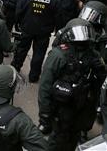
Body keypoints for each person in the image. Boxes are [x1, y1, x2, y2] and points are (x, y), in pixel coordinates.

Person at [38, 19, 106, 151]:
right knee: (56, 142)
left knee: (72, 140)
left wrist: (101, 71)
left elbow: (100, 84)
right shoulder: (58, 55)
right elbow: (45, 86)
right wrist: (45, 114)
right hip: (60, 108)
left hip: (82, 108)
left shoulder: (94, 55)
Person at [12, 0, 60, 82]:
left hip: (26, 28)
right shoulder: (54, 0)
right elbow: (58, 18)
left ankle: (14, 70)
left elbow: (18, 12)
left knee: (21, 50)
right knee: (39, 54)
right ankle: (33, 76)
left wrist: (17, 24)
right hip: (43, 32)